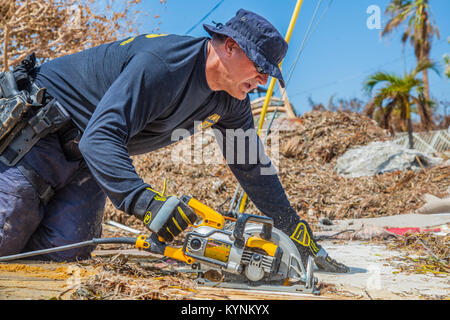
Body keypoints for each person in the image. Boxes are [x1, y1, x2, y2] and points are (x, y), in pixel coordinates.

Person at [0, 9, 349, 273]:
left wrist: (292, 227)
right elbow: (101, 136)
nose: (260, 80)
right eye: (259, 67)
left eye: (268, 74)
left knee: (64, 253)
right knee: (8, 234)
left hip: (88, 158)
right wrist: (146, 203)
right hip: (37, 136)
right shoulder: (164, 65)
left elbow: (251, 165)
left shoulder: (232, 101)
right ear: (229, 46)